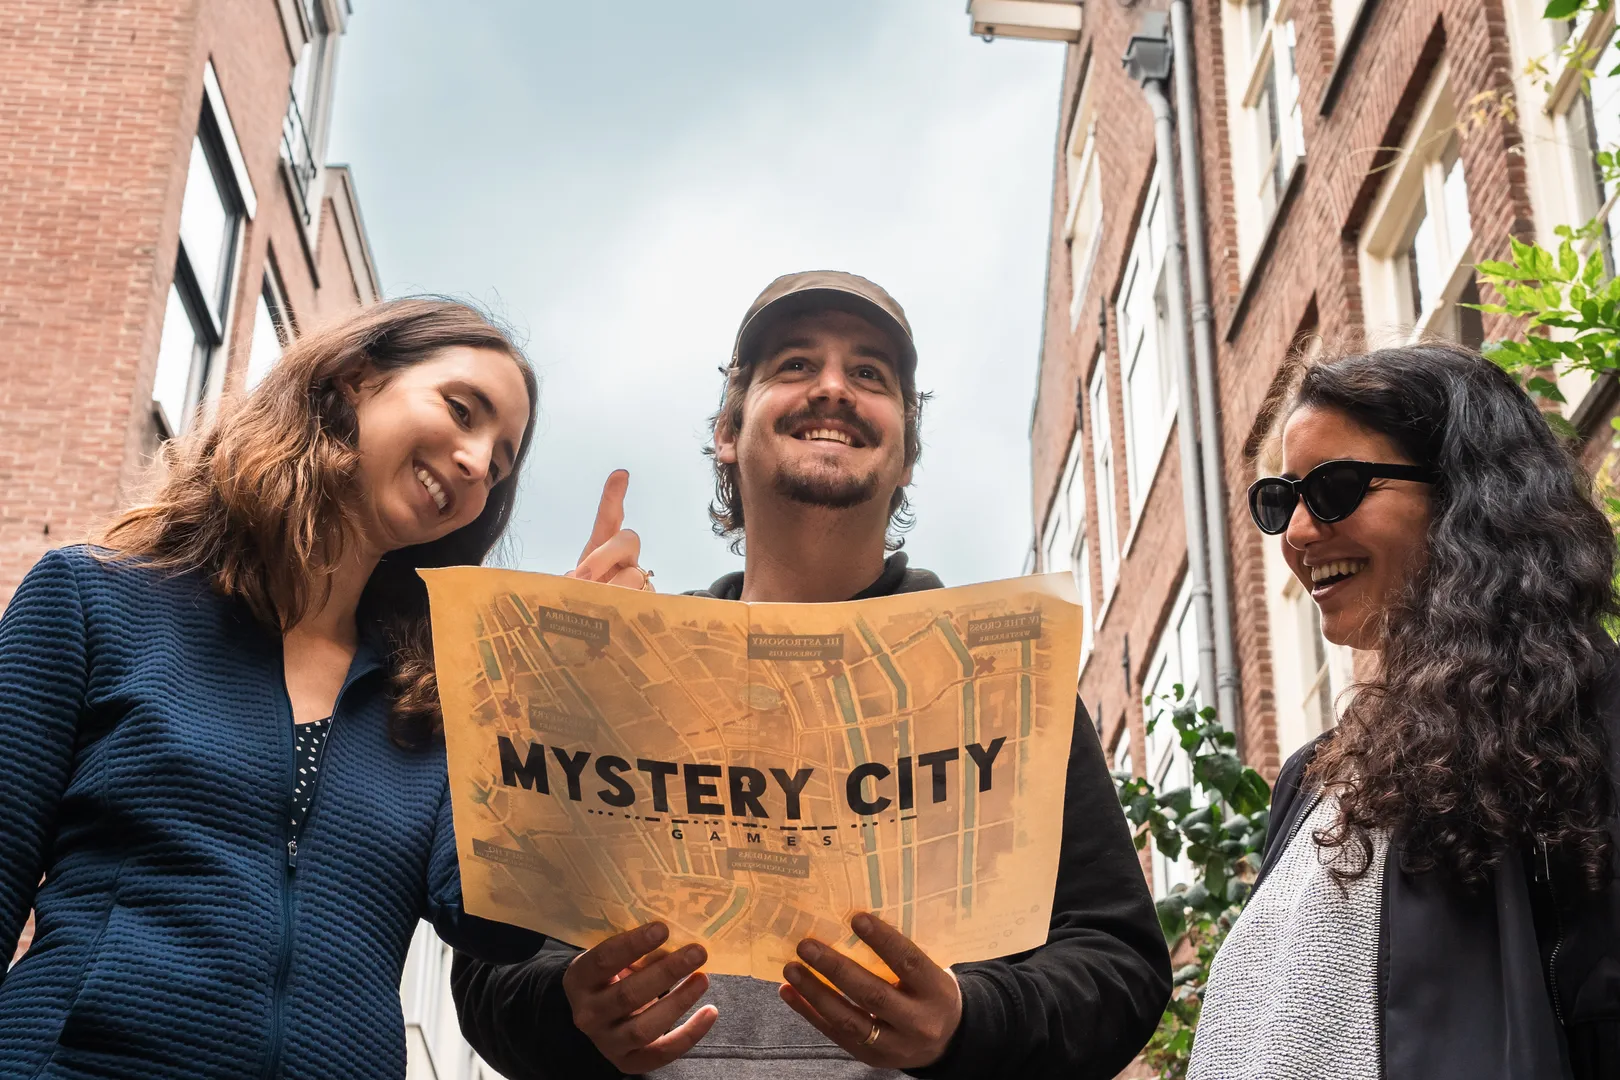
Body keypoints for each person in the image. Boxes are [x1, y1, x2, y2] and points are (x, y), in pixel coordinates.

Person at [451, 271, 1172, 1079]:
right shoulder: (618, 671)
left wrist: (968, 1023)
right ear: (728, 430)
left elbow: (1121, 964)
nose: (833, 388)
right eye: (795, 364)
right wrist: (571, 1015)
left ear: (905, 453)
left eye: (870, 374)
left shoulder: (999, 683)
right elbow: (487, 960)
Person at [0, 299, 584, 1078]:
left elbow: (497, 925)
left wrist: (565, 688)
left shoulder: (444, 705)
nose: (479, 462)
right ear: (355, 378)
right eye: (461, 409)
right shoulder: (95, 598)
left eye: (501, 461)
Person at [1189, 343, 1620, 1080]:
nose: (1294, 534)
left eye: (1334, 487)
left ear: (1466, 495)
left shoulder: (1588, 722)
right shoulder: (1307, 783)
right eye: (1280, 499)